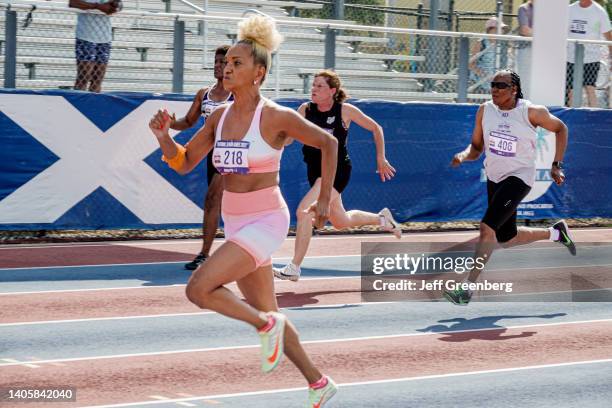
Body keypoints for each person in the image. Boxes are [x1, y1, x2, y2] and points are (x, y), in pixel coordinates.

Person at [149, 15, 338, 407]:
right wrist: (164, 138)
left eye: (236, 63)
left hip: (266, 219)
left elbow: (329, 143)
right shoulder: (217, 117)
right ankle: (319, 383)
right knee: (269, 309)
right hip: (234, 222)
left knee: (199, 289)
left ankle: (264, 325)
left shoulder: (276, 116)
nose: (227, 68)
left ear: (259, 72)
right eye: (225, 62)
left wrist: (322, 201)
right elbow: (184, 162)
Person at [444, 69, 576, 306]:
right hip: (495, 178)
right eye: (492, 85)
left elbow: (561, 129)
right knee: (507, 237)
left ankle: (467, 288)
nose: (494, 89)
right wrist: (463, 156)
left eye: (501, 85)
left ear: (514, 89)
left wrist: (556, 164)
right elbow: (476, 148)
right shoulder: (485, 110)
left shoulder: (532, 112)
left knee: (487, 228)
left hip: (519, 178)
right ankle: (555, 232)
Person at [273, 70, 401, 282]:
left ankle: (294, 266)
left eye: (319, 86)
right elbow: (289, 140)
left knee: (304, 212)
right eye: (313, 85)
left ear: (332, 91)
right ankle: (382, 219)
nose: (313, 89)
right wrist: (279, 137)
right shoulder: (305, 110)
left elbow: (376, 128)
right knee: (341, 221)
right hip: (315, 172)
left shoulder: (345, 111)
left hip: (337, 171)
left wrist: (381, 158)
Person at [168, 45, 233, 270]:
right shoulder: (204, 93)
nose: (218, 65)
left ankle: (209, 254)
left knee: (213, 198)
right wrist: (169, 124)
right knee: (214, 201)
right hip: (211, 153)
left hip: (234, 153)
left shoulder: (239, 94)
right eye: (216, 61)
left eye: (223, 62)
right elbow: (188, 122)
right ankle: (206, 254)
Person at [566, 0, 612, 107]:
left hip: (591, 58)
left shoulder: (599, 11)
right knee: (571, 91)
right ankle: (572, 118)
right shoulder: (570, 9)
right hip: (571, 57)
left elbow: (608, 36)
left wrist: (611, 57)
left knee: (590, 88)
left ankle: (593, 117)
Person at [69, 0, 120, 92]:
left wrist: (115, 5)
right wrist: (98, 6)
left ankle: (94, 103)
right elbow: (73, 3)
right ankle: (79, 102)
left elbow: (118, 6)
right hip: (85, 36)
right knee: (84, 75)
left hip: (105, 37)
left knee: (98, 77)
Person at [469, 17, 508, 93]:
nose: (501, 31)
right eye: (498, 29)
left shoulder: (502, 43)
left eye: (502, 29)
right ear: (490, 30)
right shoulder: (482, 42)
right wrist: (484, 75)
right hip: (479, 83)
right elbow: (470, 64)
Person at [516, 0, 534, 99]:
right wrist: (544, 34)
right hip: (526, 49)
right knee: (525, 82)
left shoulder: (547, 11)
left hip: (542, 51)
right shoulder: (524, 8)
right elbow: (525, 30)